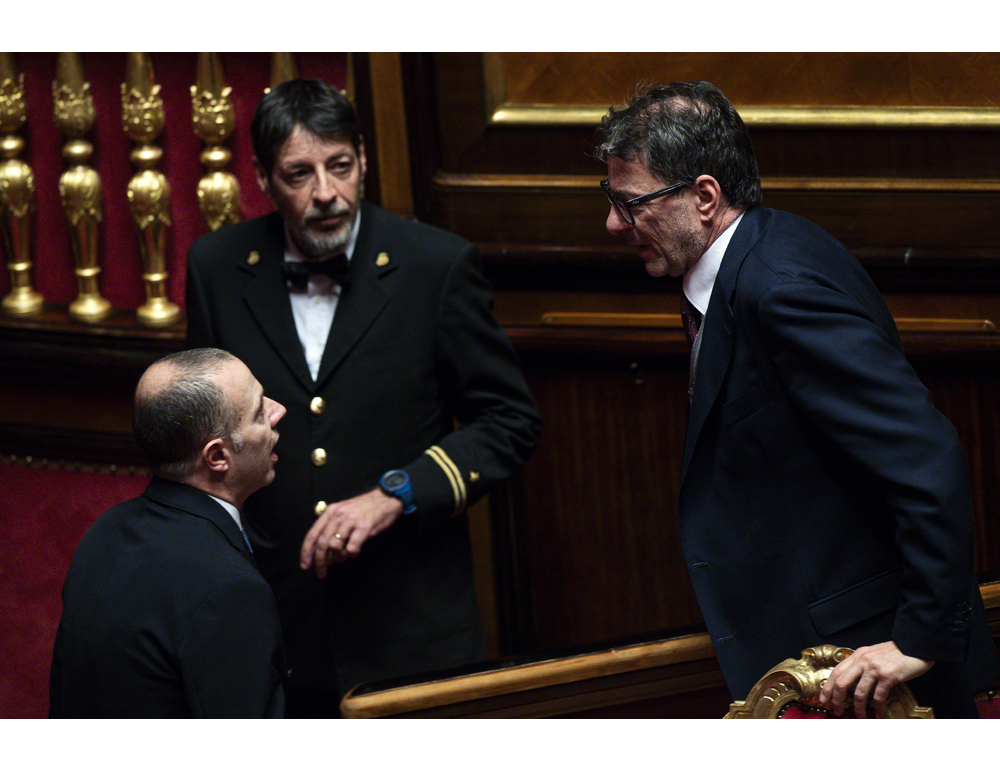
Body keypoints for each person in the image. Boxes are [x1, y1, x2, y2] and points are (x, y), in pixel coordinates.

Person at [595, 81, 1000, 718]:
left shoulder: (780, 287)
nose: (614, 223)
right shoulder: (759, 252)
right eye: (610, 199)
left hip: (869, 673)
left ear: (704, 197)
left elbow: (925, 455)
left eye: (631, 203)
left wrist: (920, 637)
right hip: (819, 652)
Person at [185, 78, 542, 715]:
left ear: (364, 160)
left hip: (410, 625)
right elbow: (201, 436)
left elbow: (510, 420)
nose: (326, 192)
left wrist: (395, 494)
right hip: (274, 623)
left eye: (341, 165)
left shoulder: (435, 265)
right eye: (299, 174)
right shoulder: (215, 266)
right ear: (263, 179)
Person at [49, 348, 288, 718]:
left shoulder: (104, 530)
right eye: (259, 412)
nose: (278, 411)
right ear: (217, 457)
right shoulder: (229, 588)